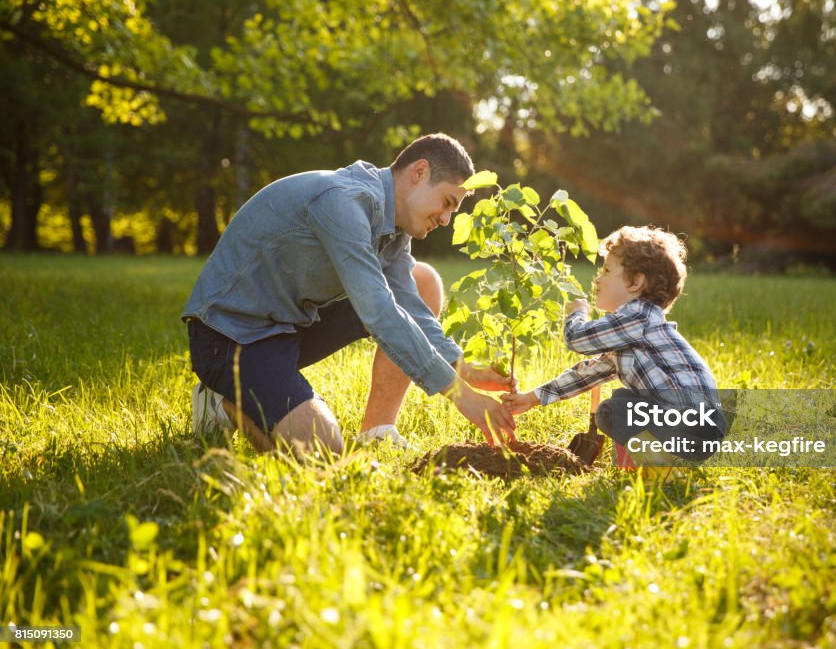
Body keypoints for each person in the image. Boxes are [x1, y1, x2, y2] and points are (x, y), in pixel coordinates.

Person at [182, 133, 517, 456]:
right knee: (322, 452)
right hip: (231, 337)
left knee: (422, 281)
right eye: (447, 203)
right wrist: (461, 396)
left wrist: (463, 368)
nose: (445, 219)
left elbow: (410, 306)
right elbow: (379, 312)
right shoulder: (343, 201)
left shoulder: (395, 228)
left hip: (289, 325)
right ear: (419, 172)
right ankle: (221, 402)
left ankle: (377, 432)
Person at [501, 226, 724, 466]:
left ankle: (656, 468)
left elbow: (577, 339)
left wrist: (577, 314)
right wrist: (532, 398)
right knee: (612, 411)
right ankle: (649, 468)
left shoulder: (638, 317)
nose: (597, 279)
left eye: (606, 270)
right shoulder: (634, 333)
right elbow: (587, 374)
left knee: (617, 408)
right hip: (702, 429)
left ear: (635, 282)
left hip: (689, 420)